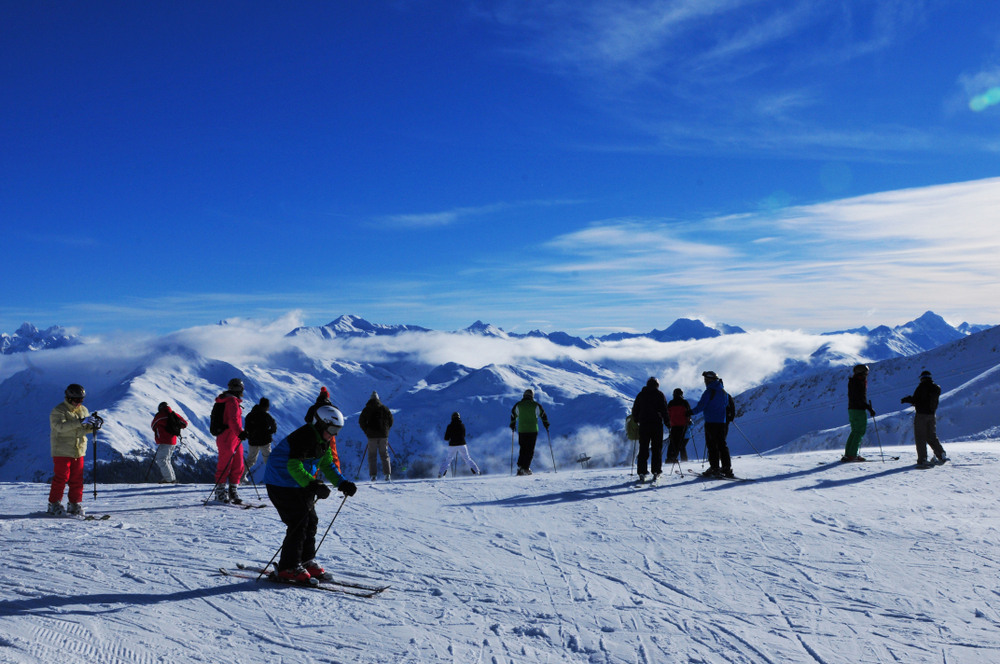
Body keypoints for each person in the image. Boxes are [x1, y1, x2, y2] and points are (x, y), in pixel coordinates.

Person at [264, 405, 357, 581]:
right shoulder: (304, 437)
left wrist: (342, 483)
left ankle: (305, 561)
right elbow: (293, 466)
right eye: (332, 429)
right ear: (322, 424)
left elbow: (327, 464)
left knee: (311, 521)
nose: (334, 434)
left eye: (338, 430)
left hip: (300, 482)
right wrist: (313, 484)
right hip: (280, 482)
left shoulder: (324, 441)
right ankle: (288, 567)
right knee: (299, 522)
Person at [48, 384, 99, 515]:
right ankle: (54, 504)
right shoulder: (59, 411)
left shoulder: (83, 410)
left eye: (81, 400)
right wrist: (80, 422)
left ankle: (75, 503)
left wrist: (94, 426)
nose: (79, 403)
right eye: (77, 400)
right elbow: (60, 427)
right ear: (69, 398)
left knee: (77, 478)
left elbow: (84, 429)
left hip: (78, 450)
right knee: (61, 477)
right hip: (62, 450)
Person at [690, 371, 734, 478]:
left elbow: (701, 406)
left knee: (712, 445)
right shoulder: (724, 392)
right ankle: (726, 468)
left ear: (708, 380)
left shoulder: (709, 391)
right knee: (722, 445)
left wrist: (690, 412)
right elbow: (726, 405)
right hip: (722, 422)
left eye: (705, 380)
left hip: (711, 422)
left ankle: (714, 468)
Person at [901, 370, 948, 466]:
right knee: (931, 436)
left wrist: (906, 399)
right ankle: (941, 454)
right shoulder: (935, 388)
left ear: (922, 378)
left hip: (921, 416)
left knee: (920, 437)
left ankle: (922, 459)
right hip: (932, 415)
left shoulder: (921, 387)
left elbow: (915, 399)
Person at [214, 378, 247, 504]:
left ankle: (231, 490)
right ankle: (221, 492)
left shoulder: (230, 400)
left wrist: (239, 433)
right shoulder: (232, 401)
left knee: (237, 464)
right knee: (227, 464)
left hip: (233, 436)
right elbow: (233, 420)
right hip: (228, 436)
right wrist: (240, 432)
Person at [631, 377, 669, 482]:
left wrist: (636, 419)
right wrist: (667, 422)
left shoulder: (641, 395)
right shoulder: (660, 395)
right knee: (656, 448)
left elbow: (635, 410)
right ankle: (656, 471)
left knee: (643, 448)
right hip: (657, 425)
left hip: (644, 425)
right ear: (657, 385)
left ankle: (642, 472)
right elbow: (664, 410)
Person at [510, 389, 550, 476]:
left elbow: (513, 415)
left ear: (524, 395)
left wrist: (513, 424)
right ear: (532, 396)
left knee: (523, 448)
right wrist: (546, 424)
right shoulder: (535, 405)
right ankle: (525, 468)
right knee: (530, 450)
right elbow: (543, 414)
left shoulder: (519, 405)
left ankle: (520, 466)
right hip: (532, 430)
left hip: (522, 430)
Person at [842, 364, 876, 462]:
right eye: (866, 372)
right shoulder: (859, 383)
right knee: (859, 432)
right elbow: (860, 399)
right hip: (858, 410)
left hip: (851, 409)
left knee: (854, 431)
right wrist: (869, 408)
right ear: (861, 372)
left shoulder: (853, 381)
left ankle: (848, 454)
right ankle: (852, 455)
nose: (867, 374)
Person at [358, 391, 393, 482]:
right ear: (378, 399)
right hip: (383, 435)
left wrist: (367, 431)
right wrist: (386, 430)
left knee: (372, 456)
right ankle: (387, 475)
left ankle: (373, 475)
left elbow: (361, 422)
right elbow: (391, 421)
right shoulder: (384, 409)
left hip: (371, 435)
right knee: (384, 454)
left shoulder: (366, 409)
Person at [151, 402, 188, 484]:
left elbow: (153, 426)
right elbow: (185, 424)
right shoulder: (174, 414)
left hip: (164, 440)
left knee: (161, 460)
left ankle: (169, 480)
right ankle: (171, 478)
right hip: (173, 441)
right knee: (167, 460)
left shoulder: (160, 415)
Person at [244, 397, 277, 481]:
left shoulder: (250, 415)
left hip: (252, 440)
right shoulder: (266, 415)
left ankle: (240, 477)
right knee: (268, 459)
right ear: (266, 406)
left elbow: (246, 427)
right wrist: (270, 431)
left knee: (250, 460)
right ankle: (272, 478)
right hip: (265, 441)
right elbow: (273, 425)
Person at [438, 412, 481, 478]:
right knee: (467, 459)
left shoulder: (449, 426)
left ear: (452, 418)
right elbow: (463, 435)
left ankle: (441, 474)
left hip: (452, 445)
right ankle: (476, 472)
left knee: (448, 460)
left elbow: (446, 438)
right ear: (459, 417)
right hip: (462, 444)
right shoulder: (462, 425)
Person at [666, 388, 693, 463]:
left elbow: (668, 414)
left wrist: (669, 422)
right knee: (679, 442)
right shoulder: (684, 403)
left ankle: (669, 457)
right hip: (682, 425)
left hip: (673, 425)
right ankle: (674, 457)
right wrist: (688, 421)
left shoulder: (671, 403)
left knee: (672, 441)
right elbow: (688, 414)